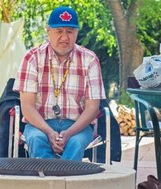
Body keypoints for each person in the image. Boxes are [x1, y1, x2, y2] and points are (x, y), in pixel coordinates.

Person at [13, 6, 106, 161]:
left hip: (77, 125)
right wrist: (49, 132)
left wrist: (69, 133)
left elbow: (92, 107)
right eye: (59, 31)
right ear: (48, 31)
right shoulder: (32, 58)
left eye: (69, 32)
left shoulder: (89, 60)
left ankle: (67, 182)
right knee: (37, 139)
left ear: (77, 32)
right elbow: (27, 106)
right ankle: (47, 182)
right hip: (40, 124)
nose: (64, 37)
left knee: (75, 142)